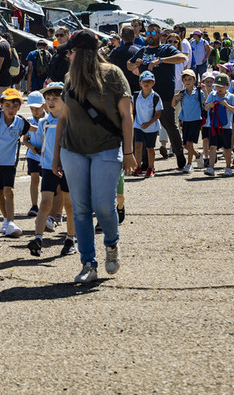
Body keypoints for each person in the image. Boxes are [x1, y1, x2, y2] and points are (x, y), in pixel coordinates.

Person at [54, 30, 135, 284]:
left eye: (72, 51)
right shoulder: (69, 79)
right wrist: (55, 155)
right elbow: (63, 119)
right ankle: (88, 262)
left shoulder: (113, 74)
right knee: (79, 210)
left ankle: (111, 244)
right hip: (73, 150)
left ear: (83, 52)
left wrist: (130, 152)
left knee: (103, 206)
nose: (69, 55)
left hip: (106, 148)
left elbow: (127, 115)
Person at [127, 30, 189, 169]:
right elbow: (128, 65)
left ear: (160, 35)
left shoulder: (166, 48)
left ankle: (179, 154)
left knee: (169, 125)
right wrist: (135, 64)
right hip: (145, 97)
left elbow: (182, 57)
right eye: (148, 32)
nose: (150, 35)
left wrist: (161, 60)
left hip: (164, 95)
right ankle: (145, 162)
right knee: (142, 127)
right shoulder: (142, 50)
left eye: (154, 32)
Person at [27, 82, 76, 258]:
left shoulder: (72, 120)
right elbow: (43, 139)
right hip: (48, 166)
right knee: (45, 203)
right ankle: (37, 238)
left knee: (69, 205)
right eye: (47, 99)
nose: (50, 102)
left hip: (69, 167)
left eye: (55, 98)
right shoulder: (44, 121)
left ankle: (70, 239)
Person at [0, 88, 34, 237]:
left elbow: (34, 129)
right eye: (7, 105)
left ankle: (11, 222)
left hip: (9, 163)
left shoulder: (20, 122)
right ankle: (6, 219)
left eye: (15, 106)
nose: (11, 109)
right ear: (1, 105)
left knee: (8, 191)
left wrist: (51, 129)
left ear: (19, 107)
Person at [204, 73, 234, 176]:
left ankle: (228, 167)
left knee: (227, 148)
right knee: (212, 146)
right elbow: (206, 107)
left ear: (227, 85)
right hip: (213, 126)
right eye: (217, 86)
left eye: (221, 86)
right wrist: (210, 105)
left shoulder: (231, 97)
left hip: (226, 127)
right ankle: (211, 167)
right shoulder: (212, 95)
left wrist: (227, 105)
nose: (219, 88)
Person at [132, 71, 163, 178]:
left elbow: (158, 114)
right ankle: (137, 167)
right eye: (144, 82)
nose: (146, 84)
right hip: (138, 125)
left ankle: (151, 167)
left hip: (151, 127)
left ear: (153, 83)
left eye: (149, 82)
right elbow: (131, 110)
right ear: (140, 83)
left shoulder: (156, 97)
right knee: (138, 146)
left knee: (150, 148)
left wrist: (149, 123)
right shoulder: (136, 96)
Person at [172, 69, 203, 173]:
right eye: (185, 79)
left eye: (190, 79)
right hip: (185, 121)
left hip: (196, 120)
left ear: (194, 80)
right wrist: (175, 97)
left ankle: (189, 164)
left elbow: (205, 102)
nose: (187, 81)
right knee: (185, 145)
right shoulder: (181, 93)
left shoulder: (199, 92)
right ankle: (197, 155)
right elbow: (173, 105)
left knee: (189, 143)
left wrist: (206, 91)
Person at [23, 91, 46, 217]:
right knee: (34, 178)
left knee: (46, 181)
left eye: (37, 108)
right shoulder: (28, 121)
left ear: (44, 105)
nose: (35, 111)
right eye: (32, 109)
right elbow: (25, 139)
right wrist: (31, 147)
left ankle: (46, 204)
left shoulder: (49, 119)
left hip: (46, 156)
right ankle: (34, 205)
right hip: (33, 155)